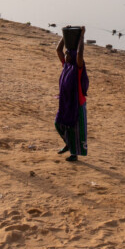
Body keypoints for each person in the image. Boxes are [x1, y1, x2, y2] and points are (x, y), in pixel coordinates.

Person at [55, 29, 89, 162]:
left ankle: (74, 154)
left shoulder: (78, 67)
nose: (66, 54)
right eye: (66, 52)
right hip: (65, 102)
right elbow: (58, 50)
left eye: (68, 53)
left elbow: (80, 53)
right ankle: (68, 144)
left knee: (76, 129)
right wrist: (65, 37)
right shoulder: (66, 65)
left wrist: (81, 36)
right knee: (59, 124)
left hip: (77, 103)